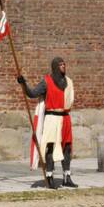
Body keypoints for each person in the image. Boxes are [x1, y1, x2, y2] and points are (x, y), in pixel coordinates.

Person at [17, 57, 77, 189]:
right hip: (52, 118)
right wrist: (24, 84)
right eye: (61, 64)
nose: (63, 66)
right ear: (55, 66)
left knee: (67, 148)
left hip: (65, 117)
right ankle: (49, 177)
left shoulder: (69, 82)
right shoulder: (47, 82)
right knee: (50, 147)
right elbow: (32, 93)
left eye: (64, 64)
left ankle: (67, 176)